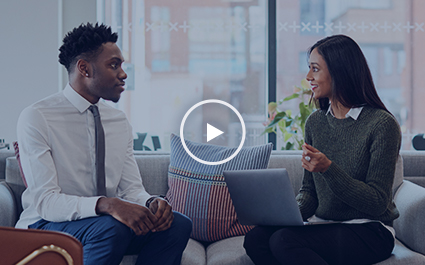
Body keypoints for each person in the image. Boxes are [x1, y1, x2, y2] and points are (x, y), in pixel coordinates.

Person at [16, 22, 192, 265]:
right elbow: (46, 201)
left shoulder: (118, 120)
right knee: (110, 227)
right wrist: (108, 205)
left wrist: (151, 202)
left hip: (106, 226)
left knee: (178, 225)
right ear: (84, 68)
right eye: (114, 65)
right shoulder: (38, 116)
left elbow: (131, 189)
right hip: (47, 224)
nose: (123, 73)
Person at [243, 34, 401, 265]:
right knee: (255, 238)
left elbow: (377, 202)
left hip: (369, 230)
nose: (308, 77)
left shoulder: (381, 124)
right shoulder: (316, 123)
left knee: (284, 241)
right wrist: (286, 214)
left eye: (315, 69)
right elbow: (309, 192)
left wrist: (328, 169)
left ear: (339, 71)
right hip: (324, 226)